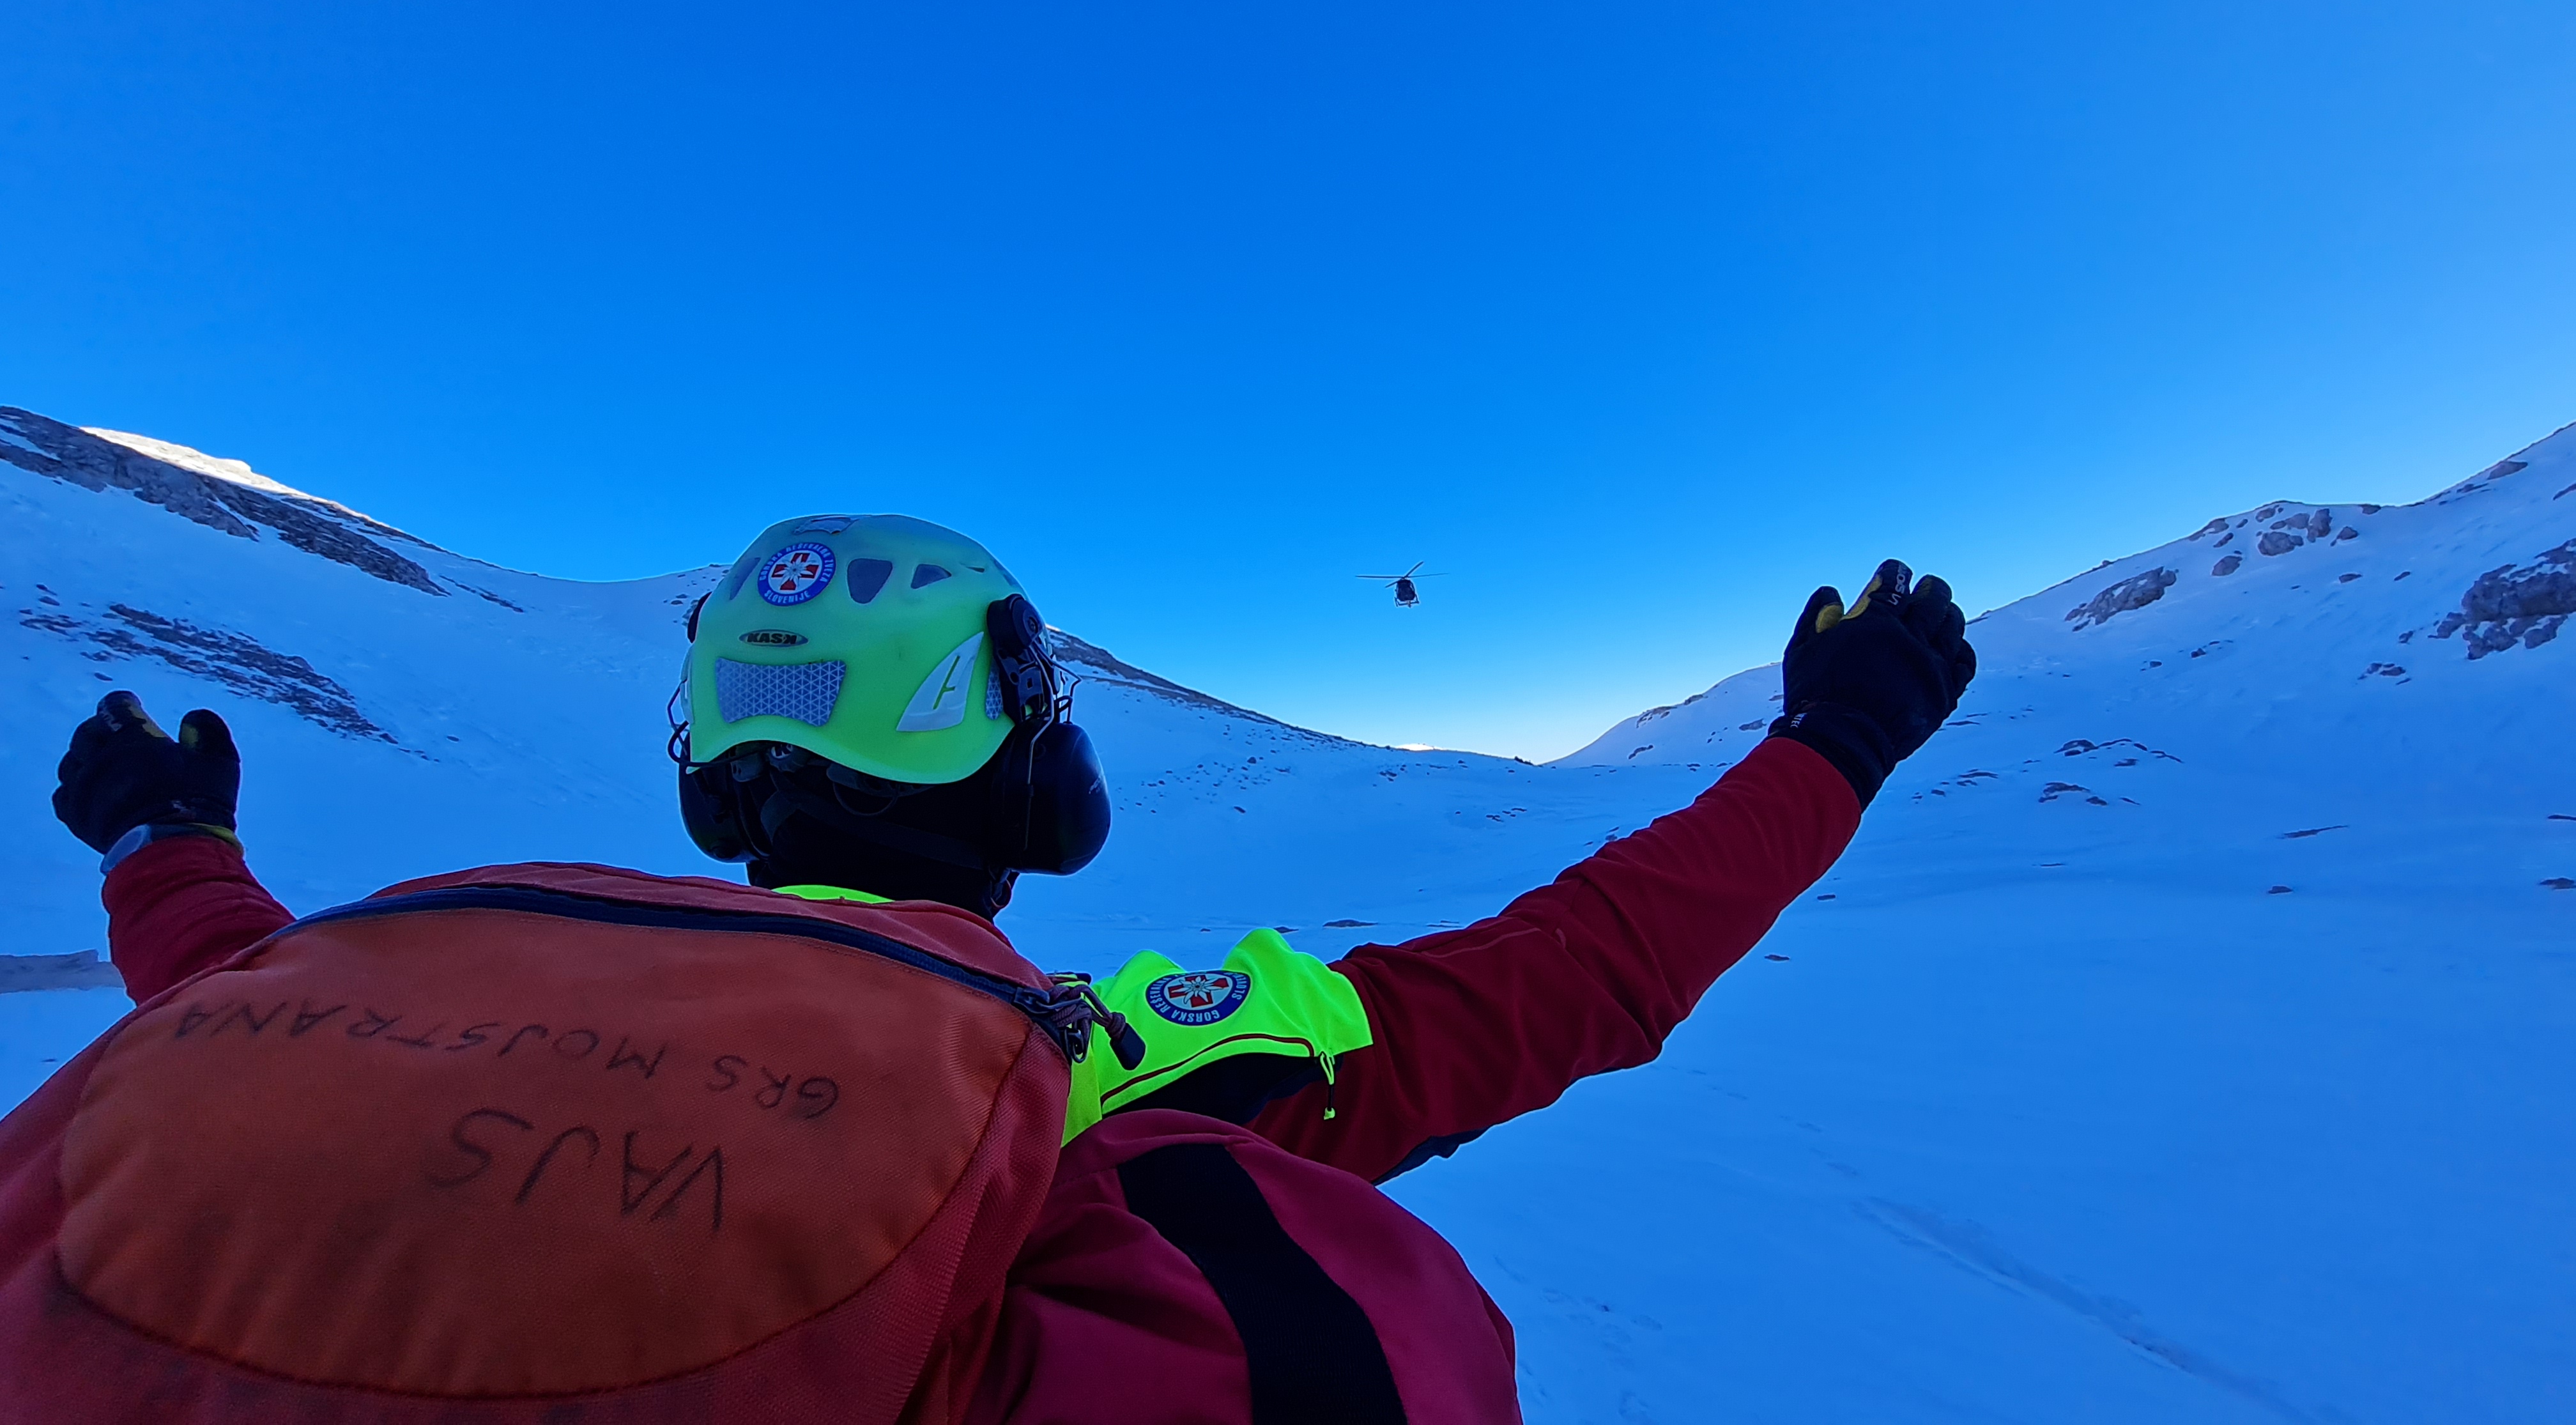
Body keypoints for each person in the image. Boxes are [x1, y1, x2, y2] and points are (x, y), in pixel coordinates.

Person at [0, 514, 1973, 1424]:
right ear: (1024, 767)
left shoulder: (423, 966)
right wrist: (1830, 754)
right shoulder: (1085, 1069)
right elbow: (1563, 976)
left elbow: (239, 1003)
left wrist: (167, 852)